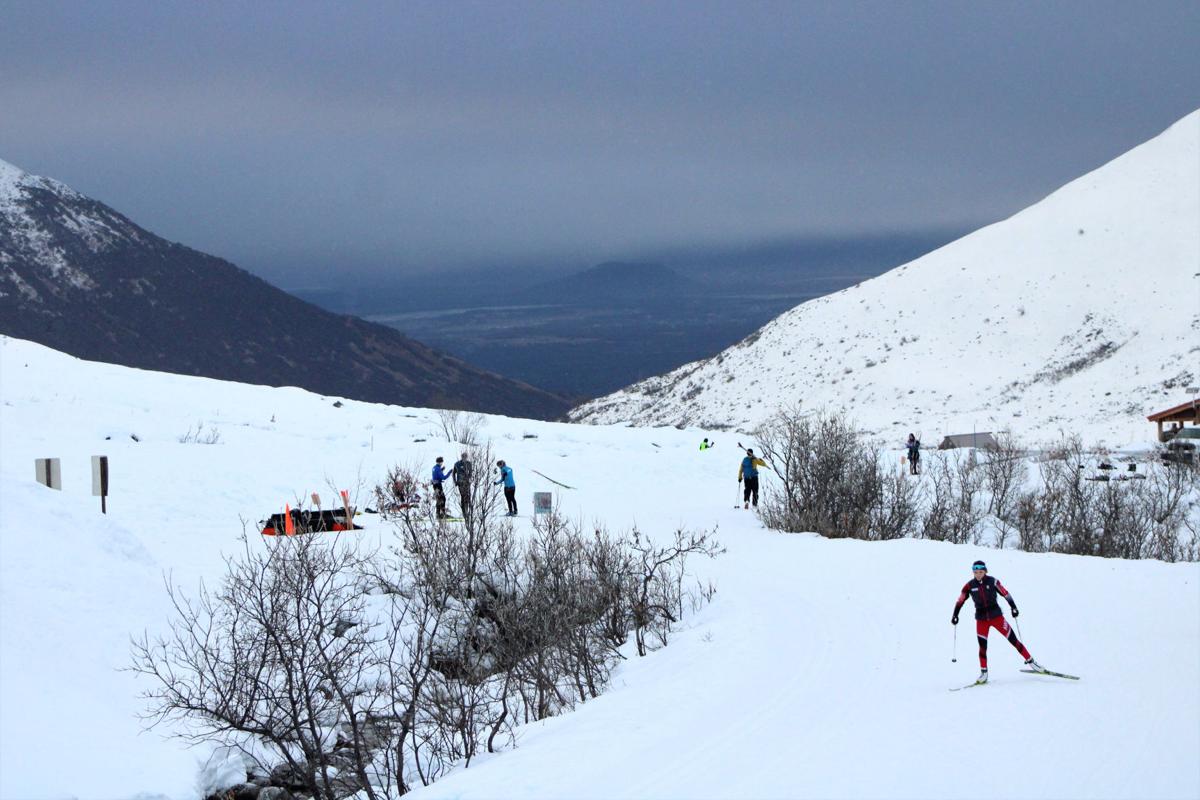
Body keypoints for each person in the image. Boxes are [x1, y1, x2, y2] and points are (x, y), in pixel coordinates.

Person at [952, 560, 1044, 683]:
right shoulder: (969, 585)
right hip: (981, 620)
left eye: (980, 572)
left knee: (1014, 640)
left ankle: (1032, 663)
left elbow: (1005, 593)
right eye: (975, 572)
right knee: (982, 647)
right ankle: (984, 673)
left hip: (997, 617)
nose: (978, 574)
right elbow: (960, 600)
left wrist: (1013, 607)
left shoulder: (993, 581)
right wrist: (955, 614)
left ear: (985, 571)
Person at [452, 451, 473, 517]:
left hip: (467, 483)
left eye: (466, 457)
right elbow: (453, 473)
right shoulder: (457, 464)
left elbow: (471, 472)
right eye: (463, 457)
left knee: (468, 496)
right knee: (463, 497)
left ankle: (468, 511)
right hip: (460, 483)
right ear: (461, 457)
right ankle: (464, 512)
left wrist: (469, 478)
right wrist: (455, 481)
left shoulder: (469, 463)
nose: (465, 458)